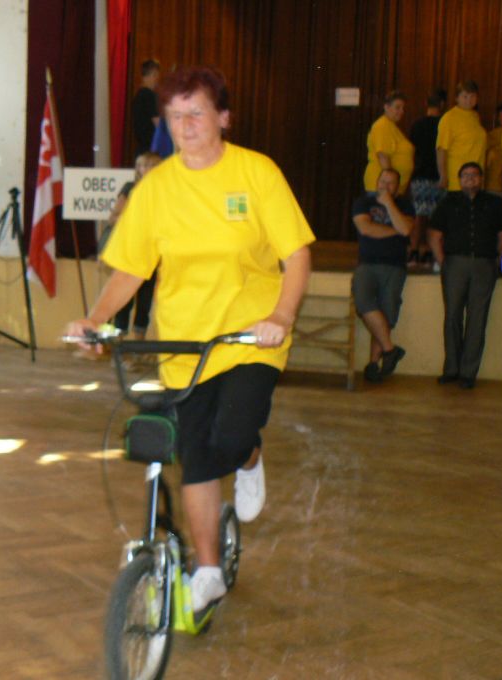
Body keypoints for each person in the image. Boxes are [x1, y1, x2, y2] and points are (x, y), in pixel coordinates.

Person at [65, 66, 314, 614]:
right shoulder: (156, 189)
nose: (186, 125)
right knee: (196, 456)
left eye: (197, 112)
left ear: (223, 117)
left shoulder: (256, 172)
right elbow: (132, 269)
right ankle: (208, 570)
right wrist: (96, 320)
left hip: (251, 337)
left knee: (232, 434)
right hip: (184, 345)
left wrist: (281, 314)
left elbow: (296, 254)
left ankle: (249, 456)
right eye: (175, 116)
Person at [427, 162, 502, 389]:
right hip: (455, 264)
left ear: (481, 179)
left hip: (484, 264)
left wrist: (495, 260)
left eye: (474, 175)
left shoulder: (495, 204)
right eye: (465, 175)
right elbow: (434, 234)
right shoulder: (448, 202)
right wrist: (444, 262)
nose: (470, 178)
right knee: (452, 316)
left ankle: (468, 373)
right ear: (459, 179)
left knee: (477, 318)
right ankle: (451, 369)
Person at [351, 169, 414, 382]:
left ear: (398, 186)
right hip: (367, 264)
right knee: (364, 303)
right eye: (382, 181)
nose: (385, 186)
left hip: (394, 266)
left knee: (386, 314)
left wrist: (389, 204)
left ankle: (373, 365)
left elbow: (406, 229)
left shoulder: (404, 205)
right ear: (376, 182)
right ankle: (390, 350)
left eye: (391, 183)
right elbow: (366, 229)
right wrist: (396, 230)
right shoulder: (363, 202)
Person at [106, 152, 162, 341]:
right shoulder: (130, 188)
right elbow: (113, 218)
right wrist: (132, 220)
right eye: (142, 165)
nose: (146, 169)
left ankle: (138, 343)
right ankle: (119, 343)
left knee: (145, 300)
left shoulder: (165, 189)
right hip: (130, 251)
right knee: (124, 299)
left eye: (151, 165)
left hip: (153, 252)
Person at [408, 88, 447, 266]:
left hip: (420, 175)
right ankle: (431, 252)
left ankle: (414, 251)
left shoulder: (417, 124)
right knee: (435, 217)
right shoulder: (444, 124)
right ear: (442, 104)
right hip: (438, 175)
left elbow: (412, 150)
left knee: (419, 215)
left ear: (426, 104)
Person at [436, 81, 487, 192]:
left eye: (473, 96)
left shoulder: (475, 116)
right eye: (465, 96)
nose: (469, 100)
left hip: (476, 177)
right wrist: (443, 176)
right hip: (458, 179)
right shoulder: (449, 118)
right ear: (457, 98)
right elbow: (441, 149)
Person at [363, 91, 414, 196]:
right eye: (397, 107)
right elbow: (383, 156)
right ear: (386, 107)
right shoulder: (382, 126)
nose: (402, 111)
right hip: (382, 187)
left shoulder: (391, 126)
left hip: (390, 188)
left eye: (403, 108)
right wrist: (390, 184)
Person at [130, 59, 161, 158]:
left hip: (141, 149)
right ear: (149, 76)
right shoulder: (149, 95)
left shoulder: (138, 95)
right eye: (155, 75)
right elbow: (158, 124)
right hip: (150, 150)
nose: (157, 79)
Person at [485, 101, 502, 195]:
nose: (499, 118)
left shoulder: (499, 133)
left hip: (495, 183)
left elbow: (482, 144)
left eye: (500, 115)